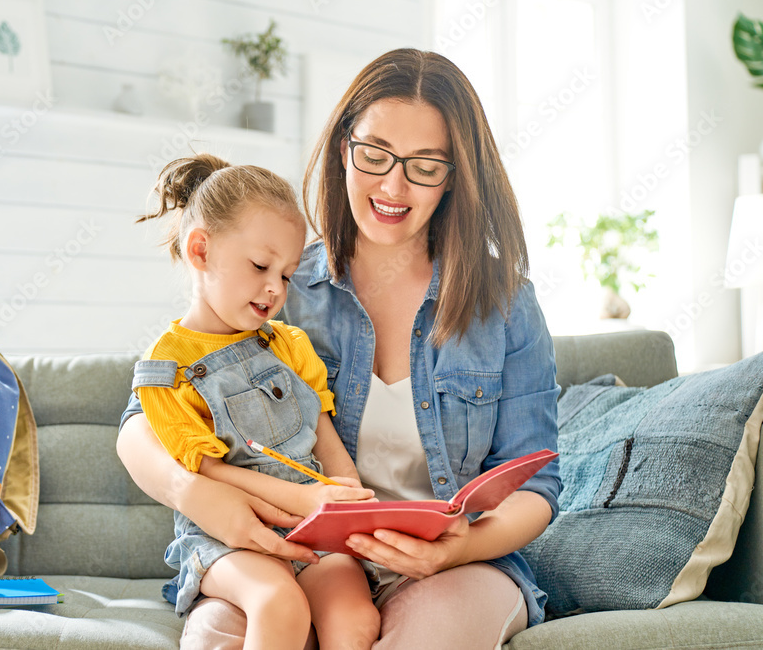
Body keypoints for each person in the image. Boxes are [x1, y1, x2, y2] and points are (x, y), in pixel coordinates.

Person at [119, 48, 561, 649]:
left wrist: (465, 546)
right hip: (294, 553)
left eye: (425, 166)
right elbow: (141, 423)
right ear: (342, 149)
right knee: (221, 638)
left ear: (456, 176)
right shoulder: (280, 285)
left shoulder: (504, 303)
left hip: (451, 567)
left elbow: (537, 484)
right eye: (374, 155)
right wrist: (194, 493)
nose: (392, 185)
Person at [130, 153, 382, 650]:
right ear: (200, 250)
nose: (275, 288)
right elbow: (206, 473)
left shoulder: (289, 345)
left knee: (355, 617)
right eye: (261, 266)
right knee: (278, 604)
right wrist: (303, 500)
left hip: (314, 528)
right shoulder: (166, 367)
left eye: (286, 275)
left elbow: (324, 437)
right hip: (226, 540)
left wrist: (345, 497)